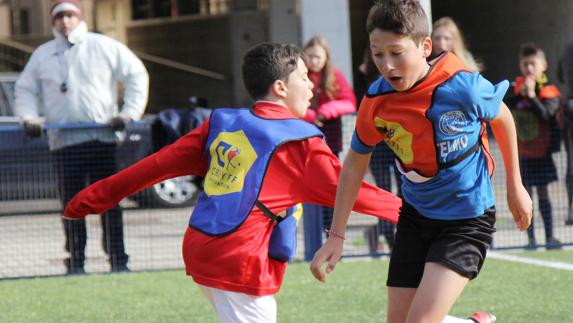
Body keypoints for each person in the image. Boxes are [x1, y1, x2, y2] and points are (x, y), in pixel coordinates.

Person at [63, 42, 401, 322]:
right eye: (303, 77)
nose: (312, 84)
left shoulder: (222, 122)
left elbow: (153, 167)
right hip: (239, 259)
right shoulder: (300, 142)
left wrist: (89, 200)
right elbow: (355, 191)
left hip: (201, 247)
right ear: (280, 87)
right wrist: (429, 211)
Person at [310, 1, 532, 323]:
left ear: (425, 47)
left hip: (467, 220)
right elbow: (355, 164)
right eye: (377, 54)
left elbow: (503, 118)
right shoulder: (375, 102)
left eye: (396, 53)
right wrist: (337, 235)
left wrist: (515, 186)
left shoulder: (462, 86)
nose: (387, 65)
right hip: (415, 217)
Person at [14, 0, 149, 275]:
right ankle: (76, 261)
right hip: (64, 143)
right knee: (72, 207)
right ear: (53, 21)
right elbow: (25, 89)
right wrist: (28, 118)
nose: (65, 21)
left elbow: (136, 74)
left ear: (79, 17)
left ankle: (118, 260)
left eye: (70, 15)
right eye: (59, 16)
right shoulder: (43, 54)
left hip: (102, 140)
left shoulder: (103, 46)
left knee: (110, 204)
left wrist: (129, 113)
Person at [506, 43, 562, 249]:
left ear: (543, 65)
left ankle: (549, 236)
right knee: (525, 195)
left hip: (543, 152)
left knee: (543, 194)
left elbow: (548, 115)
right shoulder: (516, 88)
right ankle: (530, 239)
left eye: (533, 64)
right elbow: (503, 109)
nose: (529, 68)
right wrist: (520, 94)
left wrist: (531, 96)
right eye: (525, 64)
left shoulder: (548, 90)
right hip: (523, 153)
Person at [302, 36, 357, 230]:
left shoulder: (335, 76)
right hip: (305, 137)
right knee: (310, 185)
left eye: (318, 56)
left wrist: (325, 112)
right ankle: (313, 232)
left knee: (329, 184)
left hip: (330, 138)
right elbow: (291, 105)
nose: (314, 61)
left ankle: (330, 229)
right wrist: (310, 115)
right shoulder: (300, 75)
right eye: (310, 56)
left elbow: (349, 101)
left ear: (326, 57)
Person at [357, 47, 401, 253]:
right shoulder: (364, 74)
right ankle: (389, 238)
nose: (386, 62)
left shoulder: (400, 72)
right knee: (384, 191)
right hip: (377, 144)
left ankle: (384, 233)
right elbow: (361, 106)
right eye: (379, 54)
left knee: (404, 190)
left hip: (399, 140)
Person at [558, 40, 573, 225]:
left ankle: (571, 209)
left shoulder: (568, 48)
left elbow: (560, 76)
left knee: (571, 165)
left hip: (570, 106)